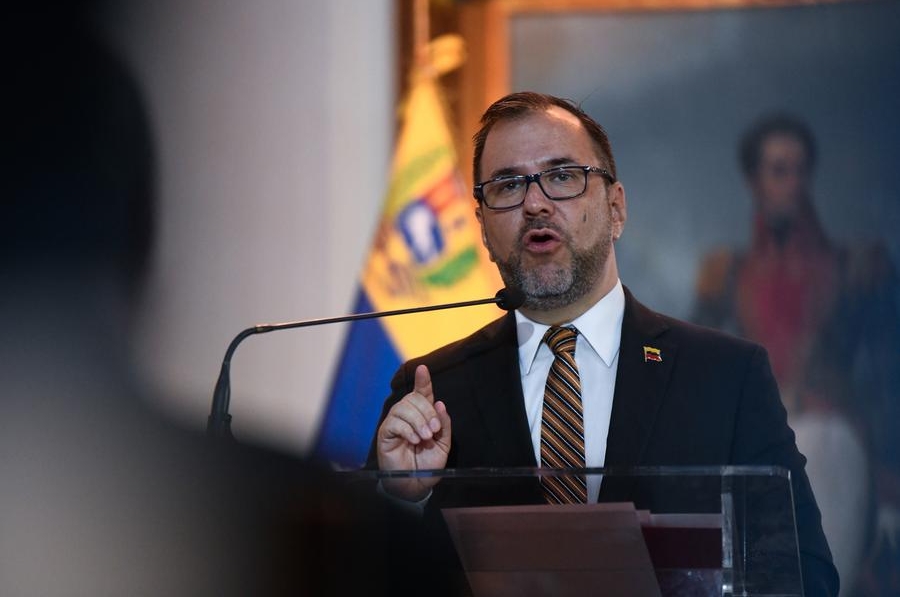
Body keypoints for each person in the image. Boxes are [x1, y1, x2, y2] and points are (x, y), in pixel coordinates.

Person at [369, 92, 839, 596]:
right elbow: (350, 577)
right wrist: (401, 499)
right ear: (483, 227)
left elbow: (805, 575)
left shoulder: (727, 377)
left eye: (563, 176)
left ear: (616, 208)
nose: (534, 202)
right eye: (507, 185)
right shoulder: (430, 392)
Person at [693, 113, 900, 595]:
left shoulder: (856, 269)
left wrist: (889, 479)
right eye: (778, 170)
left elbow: (887, 382)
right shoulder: (726, 276)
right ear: (754, 180)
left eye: (799, 169)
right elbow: (699, 376)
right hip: (755, 454)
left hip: (834, 445)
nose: (792, 182)